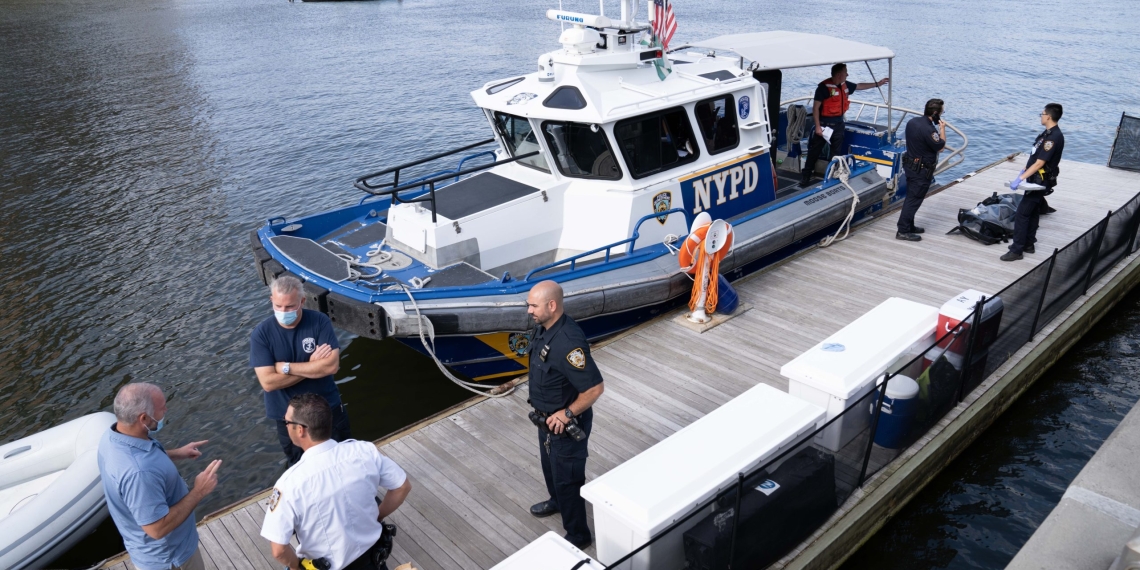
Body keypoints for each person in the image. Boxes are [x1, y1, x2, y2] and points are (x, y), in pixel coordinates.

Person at [260, 394, 412, 570]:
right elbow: (402, 486)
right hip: (373, 559)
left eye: (287, 422)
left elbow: (278, 550)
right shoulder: (364, 451)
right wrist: (377, 516)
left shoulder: (289, 483)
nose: (285, 426)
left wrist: (297, 568)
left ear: (300, 430)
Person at [97, 383, 222, 570]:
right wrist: (199, 491)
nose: (166, 409)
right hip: (172, 559)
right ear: (144, 418)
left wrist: (176, 453)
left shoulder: (112, 436)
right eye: (162, 407)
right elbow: (156, 529)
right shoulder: (139, 473)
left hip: (148, 551)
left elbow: (144, 460)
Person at [525, 280, 605, 550]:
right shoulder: (543, 329)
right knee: (551, 470)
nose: (529, 311)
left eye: (533, 306)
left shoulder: (569, 343)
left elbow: (594, 388)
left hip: (565, 426)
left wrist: (567, 413)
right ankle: (557, 501)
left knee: (568, 480)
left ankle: (578, 535)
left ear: (552, 305)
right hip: (545, 421)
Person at [251, 275, 351, 463]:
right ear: (271, 300)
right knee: (301, 466)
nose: (283, 311)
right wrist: (312, 366)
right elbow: (268, 382)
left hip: (327, 410)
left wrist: (285, 368)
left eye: (289, 306)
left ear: (302, 301)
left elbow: (331, 366)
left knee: (344, 458)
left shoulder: (319, 322)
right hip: (290, 418)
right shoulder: (261, 334)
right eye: (278, 306)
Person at [800, 63, 890, 185]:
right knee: (814, 152)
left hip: (838, 124)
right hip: (824, 125)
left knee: (836, 153)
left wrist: (877, 84)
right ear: (839, 74)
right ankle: (805, 177)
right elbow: (816, 108)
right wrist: (817, 127)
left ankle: (831, 177)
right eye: (845, 72)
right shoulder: (823, 88)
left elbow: (859, 86)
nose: (847, 74)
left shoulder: (845, 85)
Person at [1002, 103, 1065, 261]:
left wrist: (1020, 179)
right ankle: (1029, 243)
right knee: (1034, 210)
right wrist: (1024, 169)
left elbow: (1040, 163)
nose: (1041, 116)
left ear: (1048, 116)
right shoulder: (1046, 134)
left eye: (1042, 114)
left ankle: (1017, 250)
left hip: (1039, 181)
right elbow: (1034, 157)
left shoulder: (1053, 137)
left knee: (1022, 213)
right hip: (1034, 178)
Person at [896, 98, 947, 241]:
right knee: (914, 199)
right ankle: (903, 230)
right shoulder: (929, 129)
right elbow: (941, 147)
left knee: (911, 196)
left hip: (911, 166)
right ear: (936, 113)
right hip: (921, 171)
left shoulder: (912, 122)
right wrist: (942, 129)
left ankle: (909, 225)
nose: (942, 115)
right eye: (942, 112)